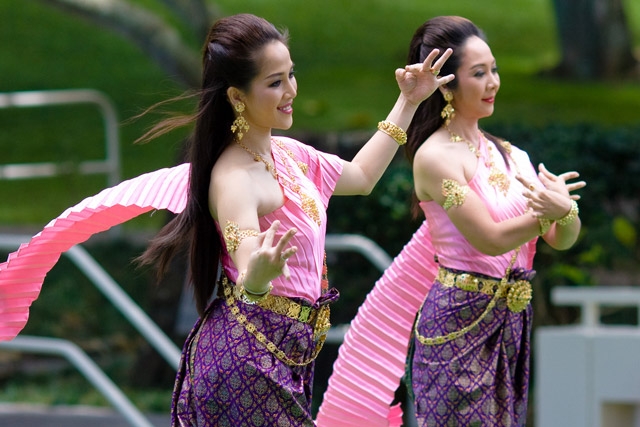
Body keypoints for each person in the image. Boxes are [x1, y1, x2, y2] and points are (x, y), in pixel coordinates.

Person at [128, 13, 454, 427]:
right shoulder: (234, 179)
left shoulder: (290, 154)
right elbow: (247, 258)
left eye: (291, 74)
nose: (291, 91)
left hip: (287, 354)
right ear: (237, 96)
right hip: (244, 363)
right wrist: (258, 274)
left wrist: (408, 101)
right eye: (274, 82)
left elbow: (362, 177)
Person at [316, 16, 585, 427]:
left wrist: (565, 213)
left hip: (511, 324)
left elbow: (559, 239)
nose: (493, 82)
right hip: (456, 323)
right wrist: (547, 212)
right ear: (447, 84)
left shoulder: (511, 155)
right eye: (479, 73)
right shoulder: (435, 157)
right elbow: (490, 239)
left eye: (494, 69)